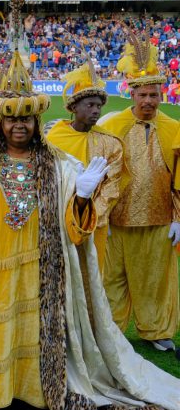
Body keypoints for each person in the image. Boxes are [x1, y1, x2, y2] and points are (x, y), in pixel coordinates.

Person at [0, 50, 180, 410]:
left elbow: (75, 230)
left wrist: (81, 196)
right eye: (12, 118)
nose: (19, 126)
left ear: (37, 122)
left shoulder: (61, 165)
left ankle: (36, 390)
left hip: (42, 271)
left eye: (26, 119)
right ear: (0, 122)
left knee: (40, 328)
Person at [101, 30, 180, 353]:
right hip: (116, 219)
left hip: (159, 218)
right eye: (142, 95)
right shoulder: (111, 126)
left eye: (153, 95)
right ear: (131, 95)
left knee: (155, 281)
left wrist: (178, 217)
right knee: (111, 280)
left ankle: (156, 330)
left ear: (161, 95)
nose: (148, 100)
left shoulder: (174, 129)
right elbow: (100, 172)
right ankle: (110, 331)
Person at [47, 59, 125, 272]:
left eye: (99, 106)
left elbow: (112, 186)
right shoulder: (54, 137)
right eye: (89, 105)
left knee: (90, 275)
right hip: (58, 220)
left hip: (93, 223)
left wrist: (92, 215)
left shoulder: (111, 143)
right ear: (73, 107)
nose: (96, 111)